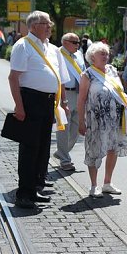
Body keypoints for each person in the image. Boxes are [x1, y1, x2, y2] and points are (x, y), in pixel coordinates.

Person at [8, 11, 68, 209]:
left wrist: (61, 102)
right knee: (29, 148)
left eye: (50, 23)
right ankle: (23, 193)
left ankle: (35, 188)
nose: (50, 26)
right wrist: (19, 106)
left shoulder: (51, 48)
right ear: (33, 26)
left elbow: (57, 77)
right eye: (46, 23)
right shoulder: (23, 45)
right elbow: (13, 78)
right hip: (31, 100)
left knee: (43, 148)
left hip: (48, 102)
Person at [78, 41, 127, 197]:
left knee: (113, 148)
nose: (105, 56)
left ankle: (107, 183)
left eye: (107, 53)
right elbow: (81, 99)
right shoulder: (87, 74)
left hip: (115, 119)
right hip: (96, 121)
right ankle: (94, 185)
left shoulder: (112, 71)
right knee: (94, 150)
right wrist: (81, 121)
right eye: (102, 53)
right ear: (92, 57)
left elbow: (120, 92)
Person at [55, 32, 85, 172]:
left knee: (77, 127)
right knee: (64, 128)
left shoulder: (79, 54)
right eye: (75, 42)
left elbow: (83, 73)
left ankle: (62, 151)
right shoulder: (57, 54)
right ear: (65, 42)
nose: (78, 45)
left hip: (78, 93)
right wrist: (63, 100)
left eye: (78, 42)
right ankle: (65, 159)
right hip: (64, 93)